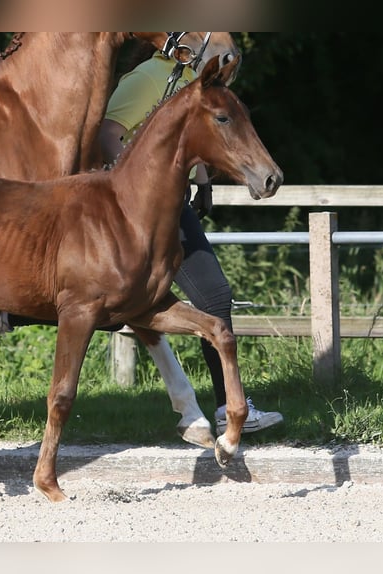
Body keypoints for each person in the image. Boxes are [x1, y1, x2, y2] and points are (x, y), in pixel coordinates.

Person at [98, 33, 283, 435]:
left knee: (214, 295)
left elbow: (194, 143)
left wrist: (202, 182)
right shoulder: (149, 78)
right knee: (105, 304)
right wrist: (124, 188)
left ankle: (227, 406)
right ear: (198, 54)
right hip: (132, 208)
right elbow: (108, 131)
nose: (227, 66)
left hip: (172, 208)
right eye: (222, 57)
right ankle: (12, 312)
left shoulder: (190, 87)